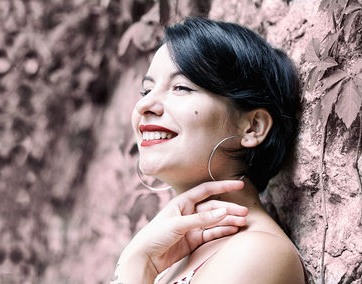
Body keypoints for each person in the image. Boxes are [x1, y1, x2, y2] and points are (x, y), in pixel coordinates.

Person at [112, 17, 307, 284]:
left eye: (181, 87)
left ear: (252, 127)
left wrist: (135, 266)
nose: (145, 105)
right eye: (145, 90)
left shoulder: (256, 253)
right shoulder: (170, 258)